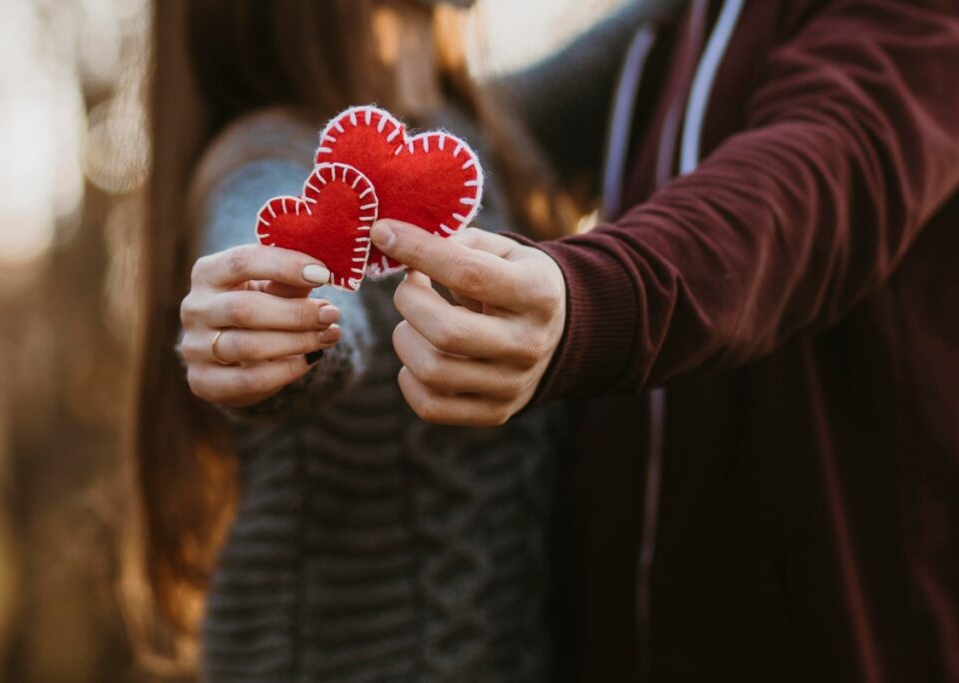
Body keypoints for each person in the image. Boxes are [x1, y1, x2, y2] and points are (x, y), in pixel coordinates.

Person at [369, 0, 959, 681]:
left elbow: (807, 183)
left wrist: (588, 300)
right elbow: (467, 135)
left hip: (841, 639)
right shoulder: (668, 28)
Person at [136, 0, 576, 681]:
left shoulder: (486, 130)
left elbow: (649, 24)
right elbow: (276, 248)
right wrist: (282, 330)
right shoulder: (263, 155)